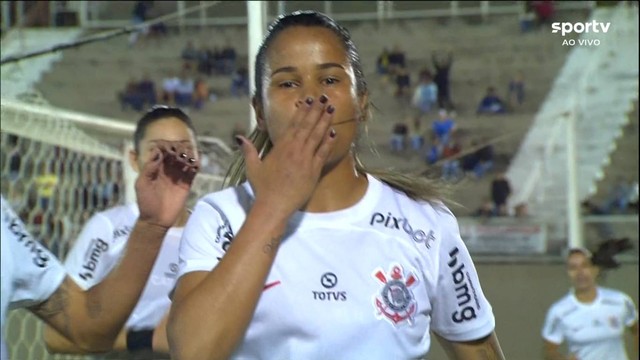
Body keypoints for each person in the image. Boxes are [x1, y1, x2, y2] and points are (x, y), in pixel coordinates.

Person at [168, 11, 504, 360]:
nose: (312, 98)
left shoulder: (426, 223)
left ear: (361, 103)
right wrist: (271, 208)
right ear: (261, 113)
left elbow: (479, 350)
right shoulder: (221, 216)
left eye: (329, 80)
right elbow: (193, 351)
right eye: (287, 83)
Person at [1, 128, 199, 359]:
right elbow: (58, 336)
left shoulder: (210, 226)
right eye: (158, 150)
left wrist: (152, 225)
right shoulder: (107, 225)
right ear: (135, 158)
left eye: (184, 149)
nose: (170, 160)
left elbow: (85, 325)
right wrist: (149, 338)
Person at [542, 240, 638, 360]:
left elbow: (636, 330)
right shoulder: (558, 311)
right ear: (568, 273)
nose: (580, 273)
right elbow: (549, 352)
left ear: (595, 270)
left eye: (585, 266)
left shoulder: (620, 301)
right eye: (573, 268)